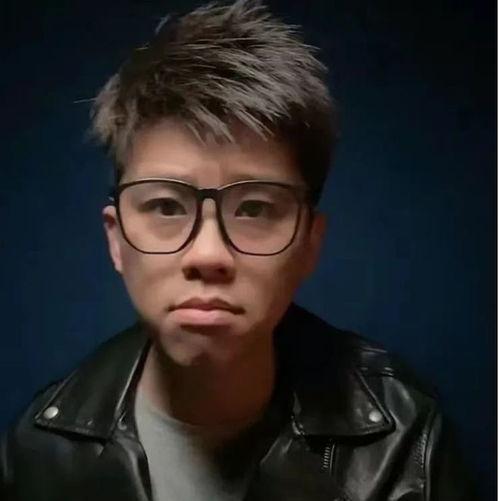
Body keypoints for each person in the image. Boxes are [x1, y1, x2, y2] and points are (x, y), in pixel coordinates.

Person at [0, 1, 476, 500]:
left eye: (253, 209)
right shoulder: (39, 453)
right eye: (166, 206)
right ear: (116, 240)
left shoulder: (403, 439)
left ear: (309, 243)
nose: (208, 255)